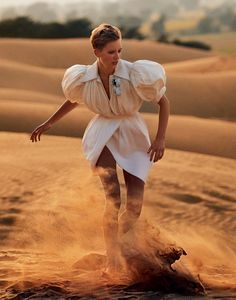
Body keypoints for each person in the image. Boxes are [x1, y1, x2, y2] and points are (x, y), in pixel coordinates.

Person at [30, 23, 170, 275]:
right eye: (111, 52)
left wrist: (160, 139)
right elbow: (73, 100)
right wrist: (49, 122)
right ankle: (112, 257)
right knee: (113, 197)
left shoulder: (137, 74)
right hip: (102, 132)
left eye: (119, 50)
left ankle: (118, 245)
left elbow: (164, 102)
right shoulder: (84, 77)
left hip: (133, 133)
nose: (117, 57)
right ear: (97, 52)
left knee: (134, 205)